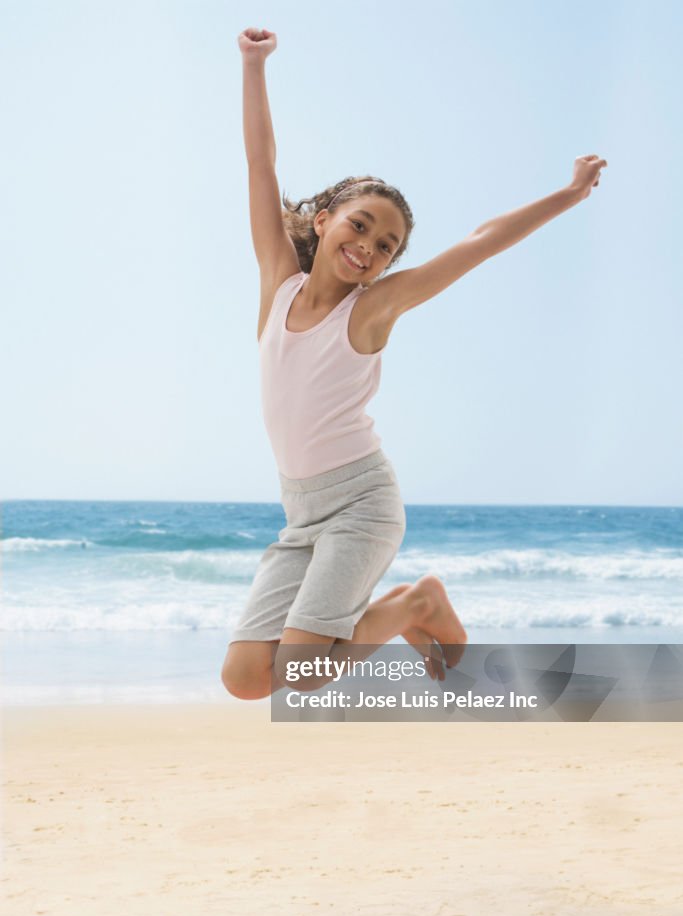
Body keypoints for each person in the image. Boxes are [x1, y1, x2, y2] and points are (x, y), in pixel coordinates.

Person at [222, 26, 607, 701]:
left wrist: (567, 195)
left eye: (387, 245)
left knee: (299, 674)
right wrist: (253, 65)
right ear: (323, 220)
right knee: (245, 679)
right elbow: (262, 167)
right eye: (361, 224)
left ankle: (415, 607)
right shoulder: (277, 283)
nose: (369, 245)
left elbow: (480, 242)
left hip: (360, 506)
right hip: (300, 511)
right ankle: (410, 603)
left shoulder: (369, 311)